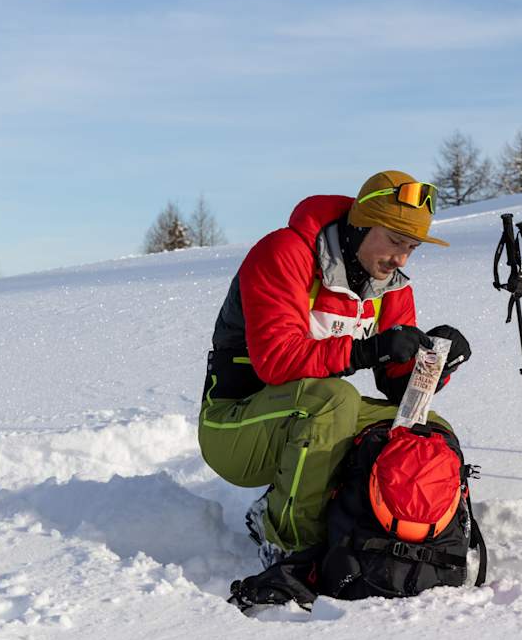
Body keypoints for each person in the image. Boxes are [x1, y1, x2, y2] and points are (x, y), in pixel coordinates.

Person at [198, 169, 471, 563]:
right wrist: (366, 350)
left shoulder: (391, 283)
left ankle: (406, 535)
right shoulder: (285, 253)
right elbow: (276, 362)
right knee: (334, 401)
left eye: (411, 247)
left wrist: (437, 363)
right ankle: (288, 543)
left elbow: (397, 389)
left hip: (305, 414)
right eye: (394, 241)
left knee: (426, 430)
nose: (400, 258)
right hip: (234, 427)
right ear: (361, 225)